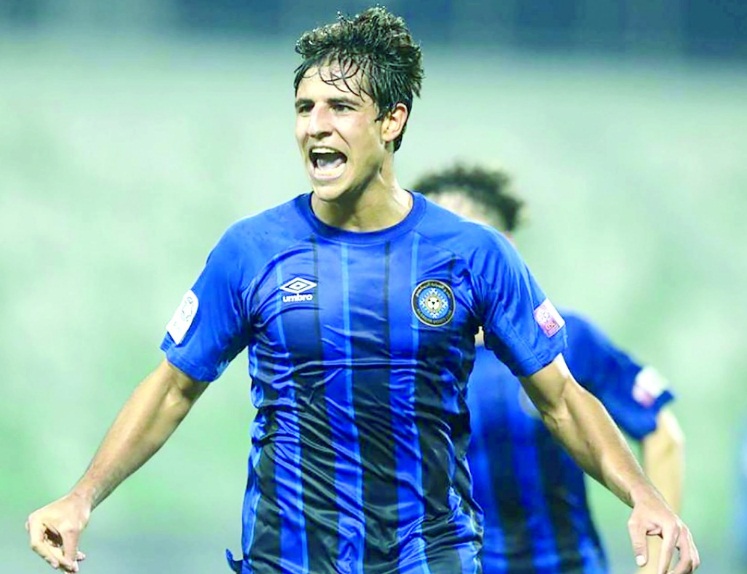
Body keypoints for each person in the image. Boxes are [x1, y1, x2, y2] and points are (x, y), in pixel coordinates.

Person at [26, 7, 699, 574]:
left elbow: (562, 401)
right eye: (304, 108)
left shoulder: (474, 254)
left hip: (429, 555)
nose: (315, 125)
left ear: (391, 121)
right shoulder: (250, 250)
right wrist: (82, 497)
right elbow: (172, 389)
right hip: (288, 558)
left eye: (341, 107)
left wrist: (644, 497)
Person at [413, 164, 686, 574]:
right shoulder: (406, 360)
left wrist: (654, 567)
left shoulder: (564, 340)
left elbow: (663, 435)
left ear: (503, 248)